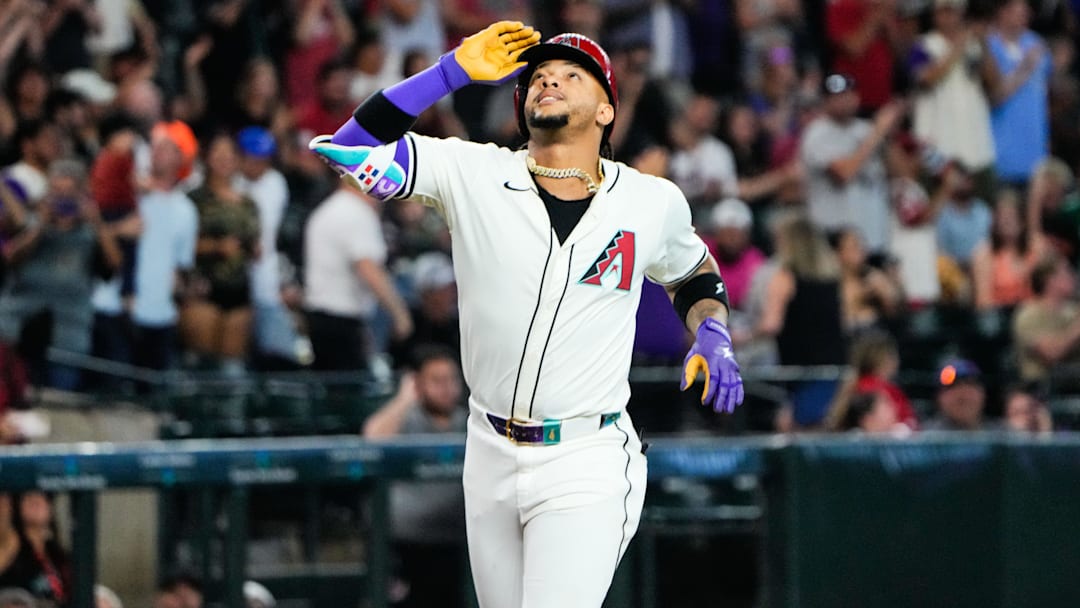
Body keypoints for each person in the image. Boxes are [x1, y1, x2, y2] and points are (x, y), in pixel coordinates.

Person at [309, 23, 744, 607]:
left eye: (571, 74)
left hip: (585, 455)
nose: (550, 80)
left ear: (606, 110)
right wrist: (449, 74)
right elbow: (352, 146)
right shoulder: (474, 173)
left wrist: (711, 330)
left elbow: (693, 273)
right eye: (539, 75)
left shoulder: (650, 200)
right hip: (487, 449)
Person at [363, 345, 468, 608]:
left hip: (455, 544)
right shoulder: (407, 418)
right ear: (418, 383)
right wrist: (405, 398)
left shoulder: (467, 420)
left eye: (451, 380)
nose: (446, 388)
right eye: (436, 380)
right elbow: (372, 439)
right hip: (404, 545)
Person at [925, 358, 991, 430]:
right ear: (938, 397)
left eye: (970, 384)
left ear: (983, 394)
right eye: (953, 387)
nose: (963, 395)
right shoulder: (922, 436)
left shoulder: (1000, 435)